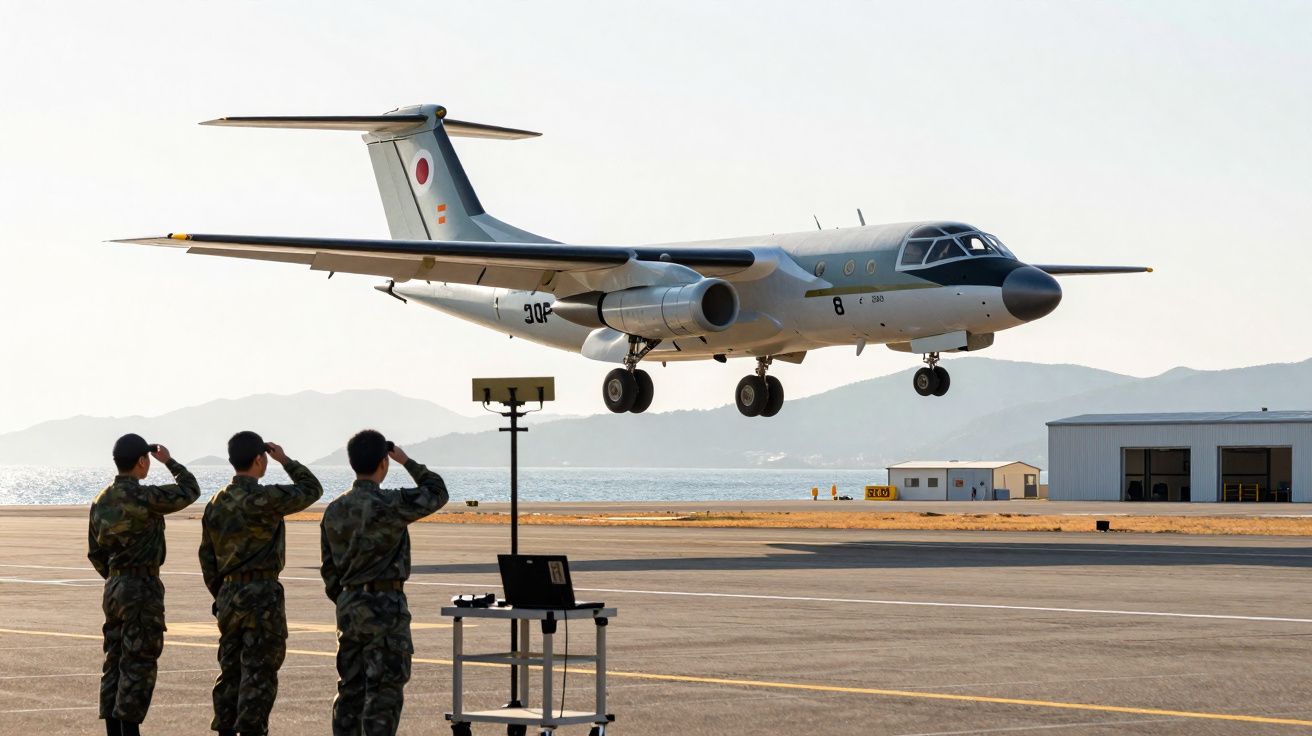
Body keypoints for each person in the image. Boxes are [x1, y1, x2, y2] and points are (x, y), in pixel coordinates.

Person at [320, 430, 448, 736]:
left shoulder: (335, 509)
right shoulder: (390, 503)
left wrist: (348, 599)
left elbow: (329, 570)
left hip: (349, 608)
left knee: (351, 689)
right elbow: (437, 491)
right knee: (384, 691)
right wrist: (405, 460)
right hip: (385, 608)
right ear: (383, 463)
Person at [199, 431, 324, 736]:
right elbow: (312, 489)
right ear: (259, 459)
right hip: (262, 596)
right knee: (260, 672)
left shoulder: (216, 502)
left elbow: (207, 557)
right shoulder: (265, 498)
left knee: (230, 668)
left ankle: (225, 729)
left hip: (229, 594)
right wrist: (285, 460)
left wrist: (223, 593)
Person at [88, 433, 201, 736]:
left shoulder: (101, 500)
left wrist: (116, 577)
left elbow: (95, 552)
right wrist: (171, 462)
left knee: (114, 661)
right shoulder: (146, 497)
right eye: (147, 459)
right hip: (142, 587)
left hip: (114, 587)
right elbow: (191, 490)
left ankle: (114, 730)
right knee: (138, 664)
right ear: (141, 461)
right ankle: (130, 732)